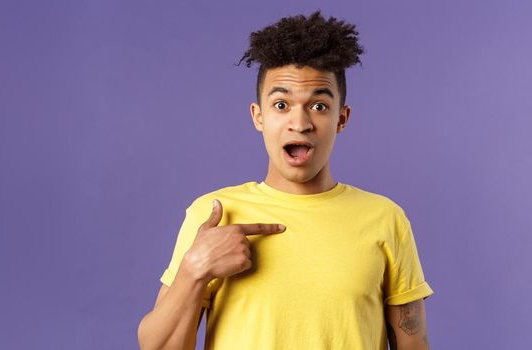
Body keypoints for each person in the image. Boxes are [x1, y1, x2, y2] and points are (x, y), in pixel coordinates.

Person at [137, 11, 434, 350]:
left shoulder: (386, 219)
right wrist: (194, 271)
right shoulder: (214, 215)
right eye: (281, 104)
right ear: (258, 116)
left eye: (320, 106)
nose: (300, 122)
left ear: (342, 118)